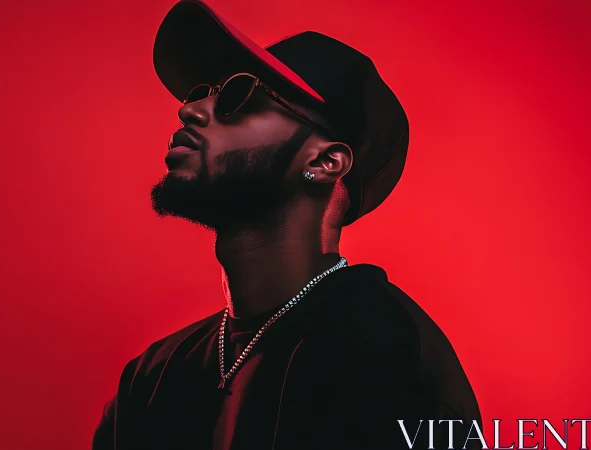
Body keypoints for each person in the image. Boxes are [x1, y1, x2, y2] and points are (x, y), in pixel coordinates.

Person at [93, 0, 481, 448]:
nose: (192, 110)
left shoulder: (386, 350)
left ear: (325, 162)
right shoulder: (151, 377)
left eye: (240, 95)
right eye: (202, 91)